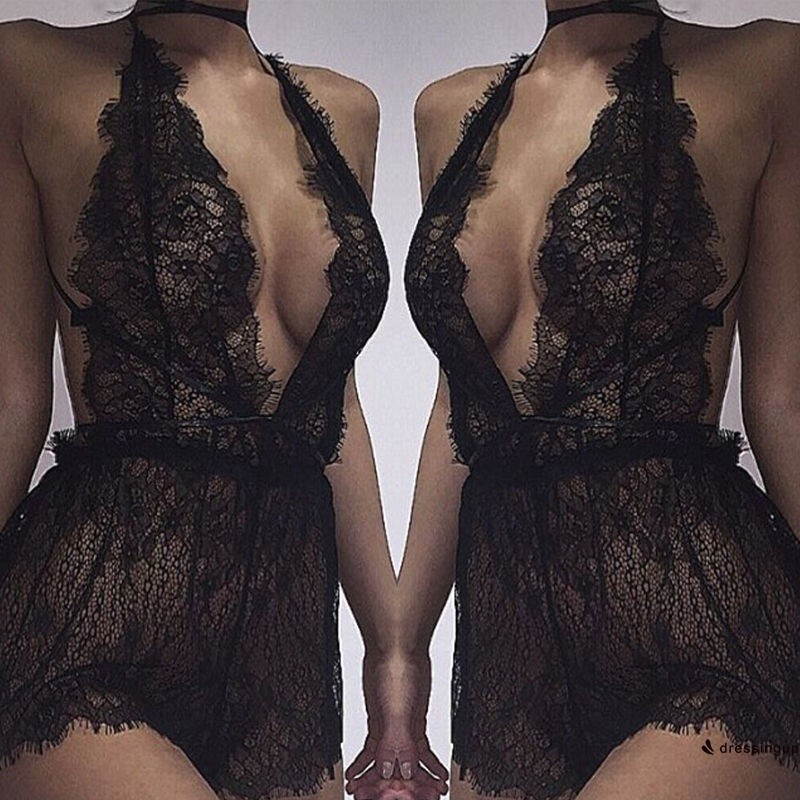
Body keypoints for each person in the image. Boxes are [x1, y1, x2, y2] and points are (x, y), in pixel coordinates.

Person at [361, 1, 800, 798]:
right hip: (510, 674)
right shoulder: (447, 113)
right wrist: (403, 656)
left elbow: (783, 401)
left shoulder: (768, 66)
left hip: (704, 629)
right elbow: (461, 411)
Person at [0, 1, 394, 798]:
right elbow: (14, 396)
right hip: (89, 624)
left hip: (284, 667)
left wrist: (393, 654)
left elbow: (334, 410)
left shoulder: (345, 111)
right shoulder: (26, 66)